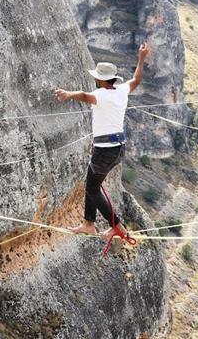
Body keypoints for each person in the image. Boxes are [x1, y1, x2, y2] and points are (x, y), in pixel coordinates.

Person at [54, 43, 150, 243]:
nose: (95, 79)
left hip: (105, 151)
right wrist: (141, 58)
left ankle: (116, 226)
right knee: (92, 184)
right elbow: (137, 80)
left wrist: (68, 94)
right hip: (117, 149)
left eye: (96, 77)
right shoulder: (122, 90)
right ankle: (88, 224)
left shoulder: (100, 95)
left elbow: (83, 95)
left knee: (92, 188)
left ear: (100, 79)